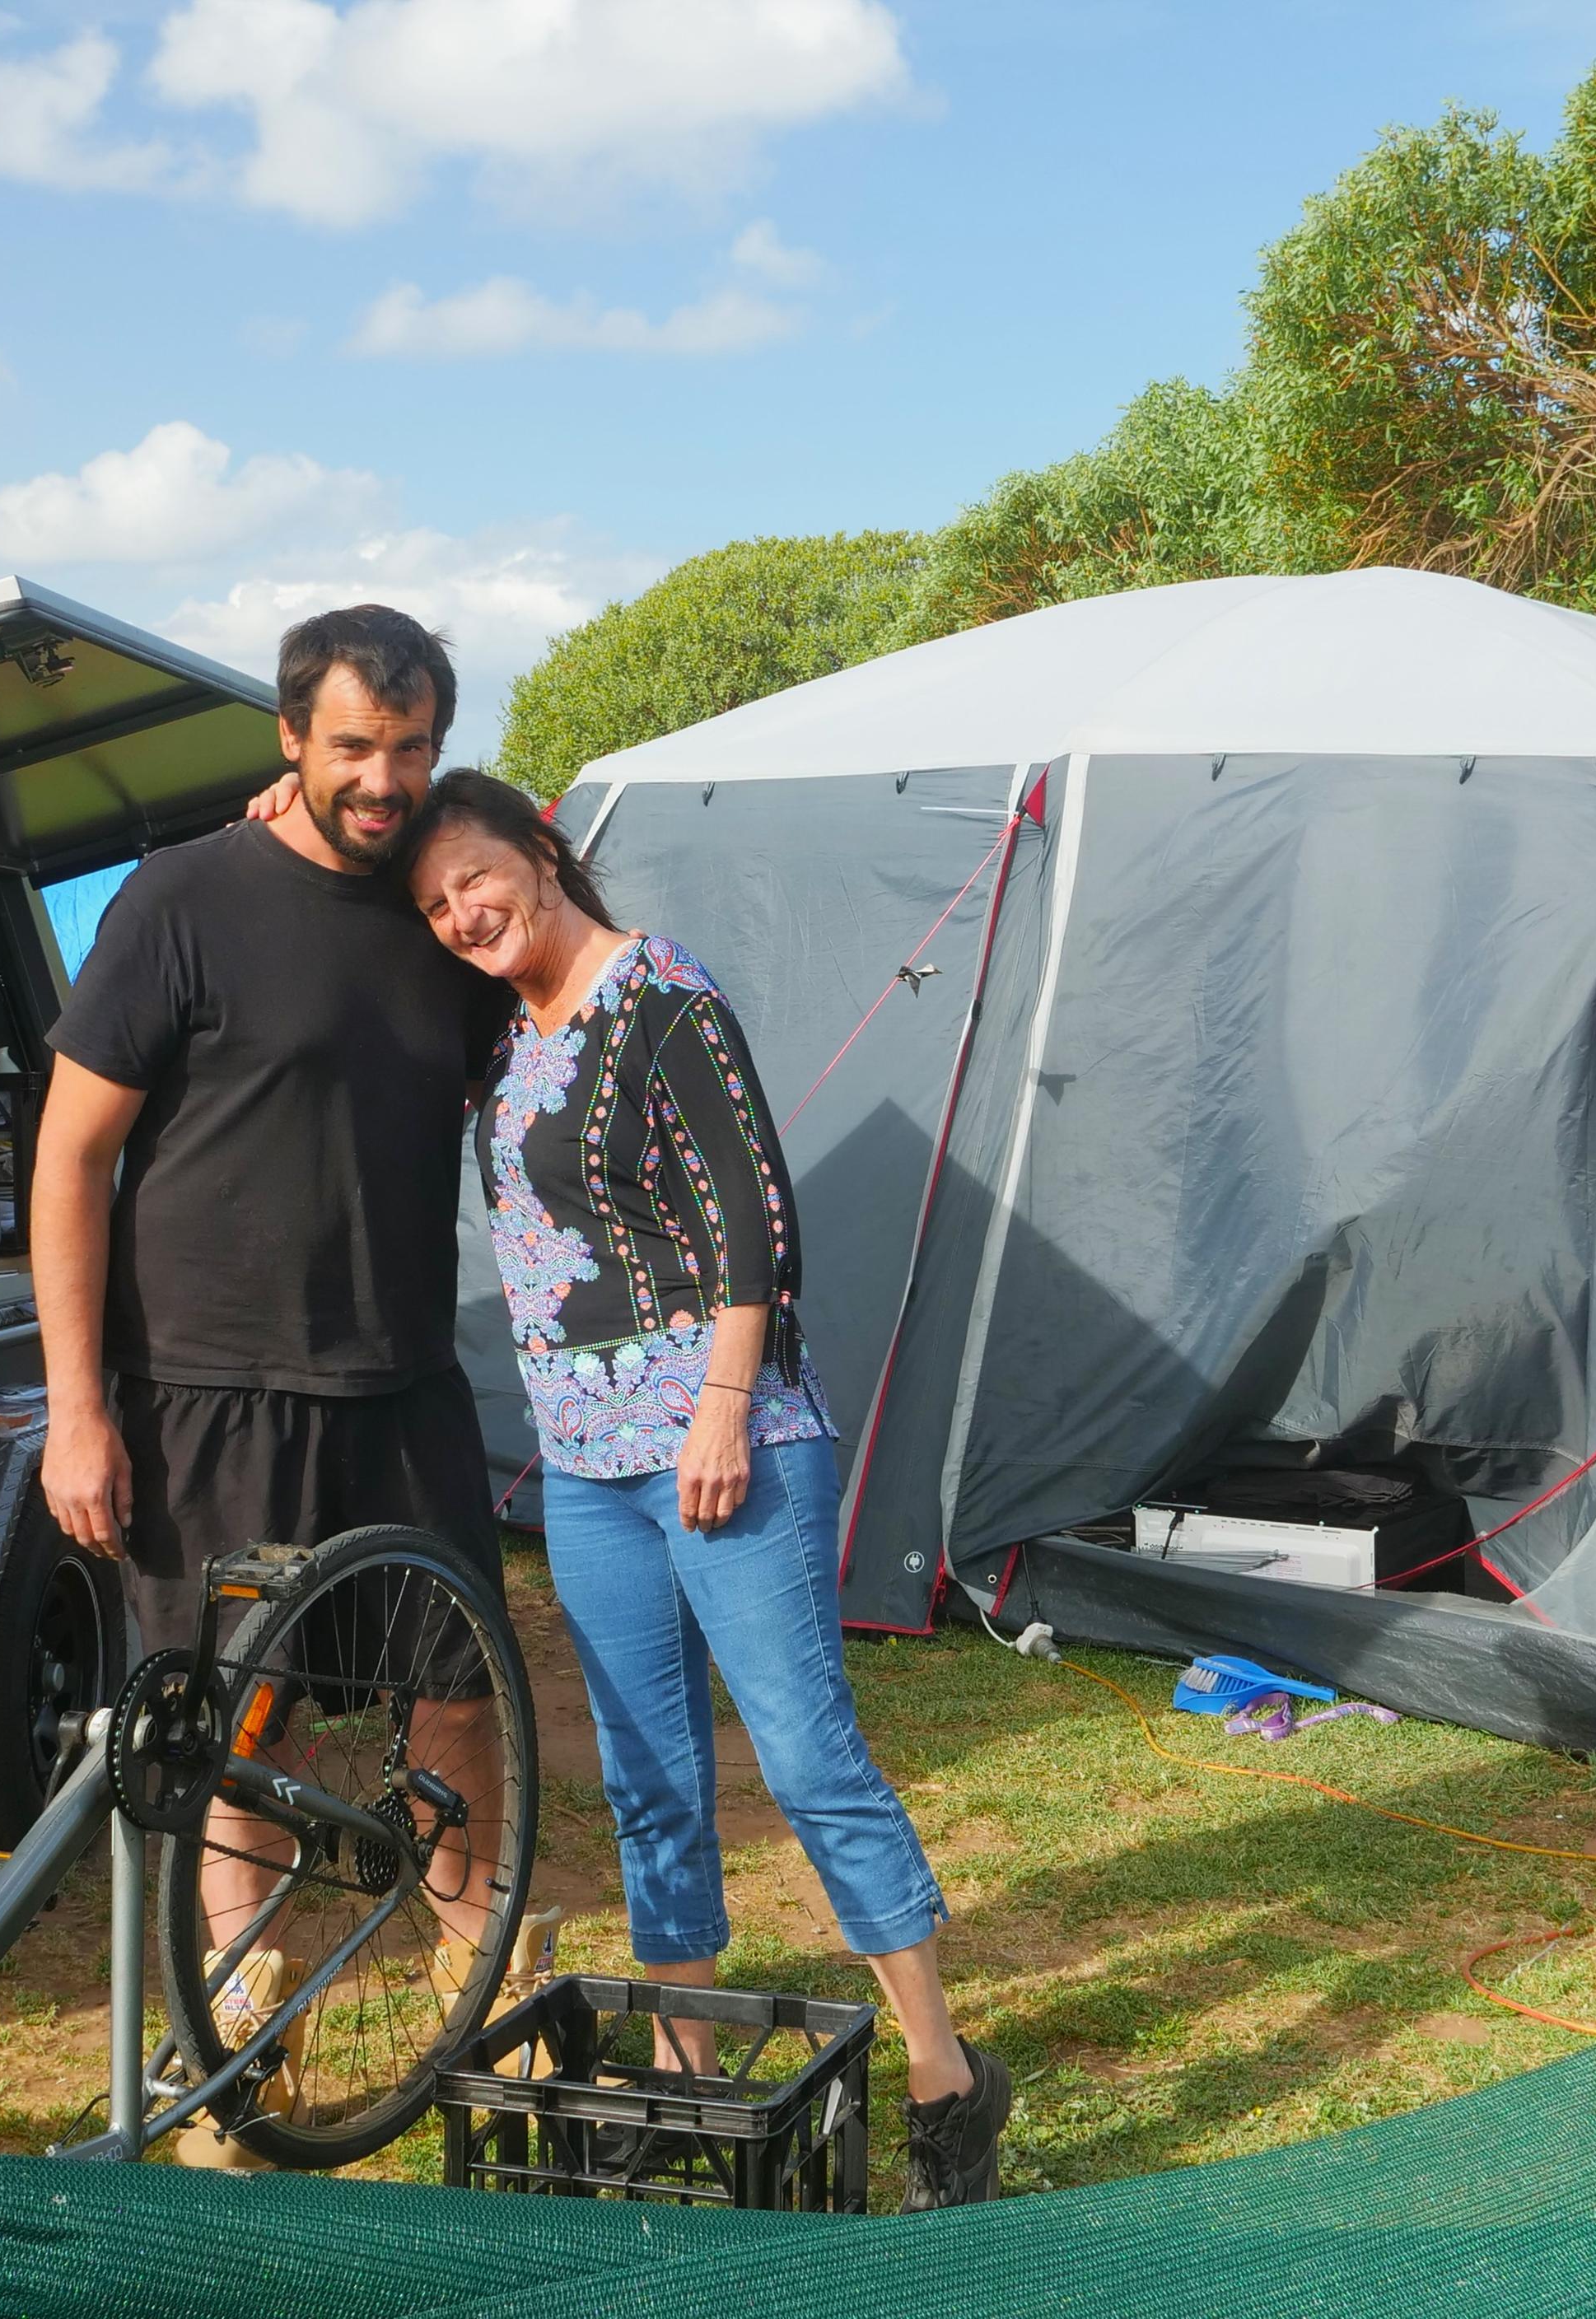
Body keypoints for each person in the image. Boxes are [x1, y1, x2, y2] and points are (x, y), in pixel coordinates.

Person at [399, 767, 1015, 2210]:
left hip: (719, 1443)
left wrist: (725, 1407)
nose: (459, 913)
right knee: (648, 1777)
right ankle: (683, 2069)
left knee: (806, 1761)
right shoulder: (505, 1032)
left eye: (475, 878)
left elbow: (759, 1218)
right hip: (588, 1465)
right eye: (433, 904)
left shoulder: (660, 992)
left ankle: (944, 2074)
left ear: (543, 854)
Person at [30, 604, 515, 2166]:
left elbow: (560, 932)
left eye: (415, 747)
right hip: (210, 1397)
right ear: (290, 741)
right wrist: (78, 1406)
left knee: (458, 1695)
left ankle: (472, 1990)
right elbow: (69, 1161)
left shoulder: (445, 908)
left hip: (405, 1388)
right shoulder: (181, 901)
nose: (386, 779)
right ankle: (240, 2046)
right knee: (242, 1727)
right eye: (357, 746)